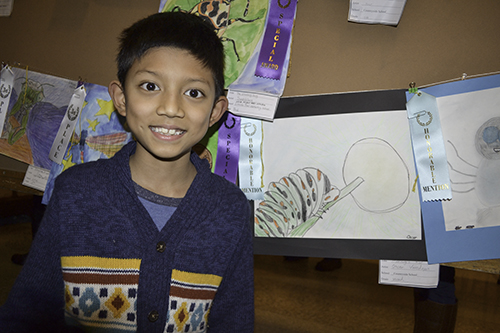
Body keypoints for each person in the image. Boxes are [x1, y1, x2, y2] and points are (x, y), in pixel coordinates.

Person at [0, 12, 254, 332]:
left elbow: (234, 321)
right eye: (150, 86)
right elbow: (28, 312)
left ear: (216, 110)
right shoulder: (75, 192)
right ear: (121, 98)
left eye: (193, 93)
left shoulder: (231, 208)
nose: (171, 108)